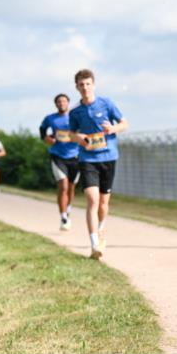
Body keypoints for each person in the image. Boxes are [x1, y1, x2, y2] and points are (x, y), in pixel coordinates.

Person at [68, 69, 128, 259]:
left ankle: (101, 228)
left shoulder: (106, 103)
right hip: (88, 159)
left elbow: (124, 123)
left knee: (103, 202)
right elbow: (71, 134)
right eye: (81, 84)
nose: (85, 87)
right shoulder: (75, 112)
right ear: (77, 87)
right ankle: (94, 245)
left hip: (108, 157)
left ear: (93, 85)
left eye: (88, 84)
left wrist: (113, 128)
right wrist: (78, 137)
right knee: (92, 200)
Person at [40, 94, 80, 231]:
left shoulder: (75, 116)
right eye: (59, 101)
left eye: (64, 101)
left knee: (71, 188)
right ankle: (63, 217)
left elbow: (85, 131)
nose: (61, 103)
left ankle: (68, 209)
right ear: (56, 104)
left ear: (68, 103)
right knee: (63, 186)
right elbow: (42, 131)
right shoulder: (50, 118)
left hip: (75, 156)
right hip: (58, 156)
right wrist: (47, 139)